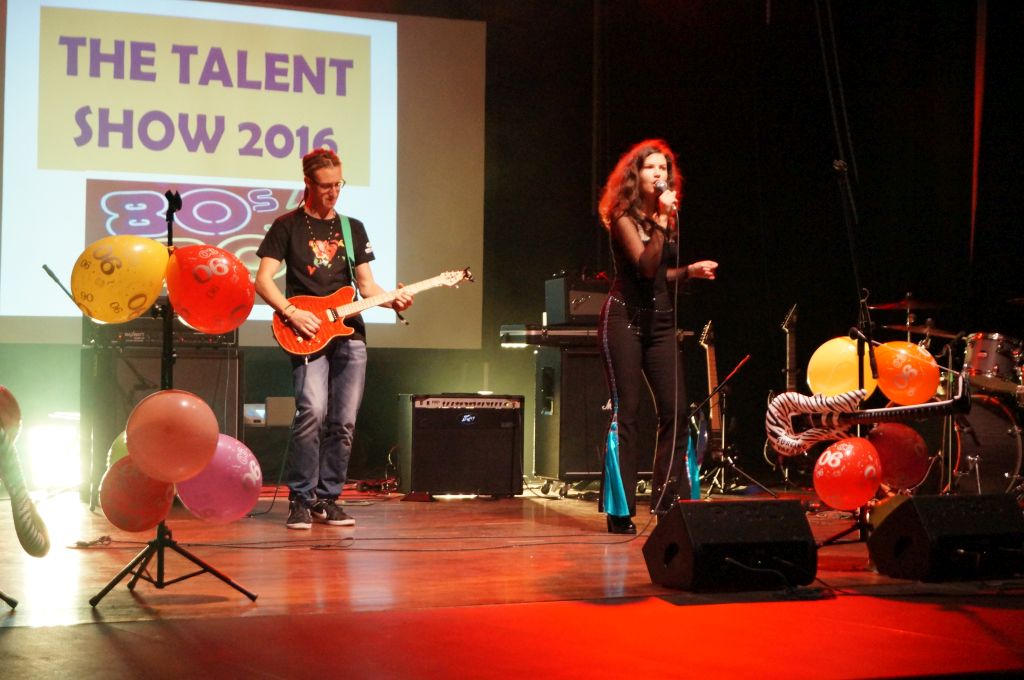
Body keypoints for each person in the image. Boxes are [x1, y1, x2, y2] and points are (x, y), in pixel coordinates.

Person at [255, 148, 412, 530]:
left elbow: (366, 286)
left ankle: (327, 499)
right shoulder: (286, 226)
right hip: (306, 331)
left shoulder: (352, 228)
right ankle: (300, 499)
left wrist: (392, 300)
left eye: (338, 184)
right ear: (307, 183)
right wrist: (291, 312)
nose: (333, 192)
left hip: (349, 332)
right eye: (325, 186)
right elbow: (262, 281)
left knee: (343, 422)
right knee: (312, 412)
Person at [596, 139, 718, 534]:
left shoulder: (666, 218)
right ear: (636, 175)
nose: (659, 173)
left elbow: (662, 276)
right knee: (627, 412)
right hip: (625, 320)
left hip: (662, 325)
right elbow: (645, 268)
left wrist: (689, 272)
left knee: (677, 411)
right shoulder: (623, 217)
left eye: (663, 168)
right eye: (651, 167)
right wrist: (663, 219)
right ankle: (620, 510)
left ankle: (669, 503)